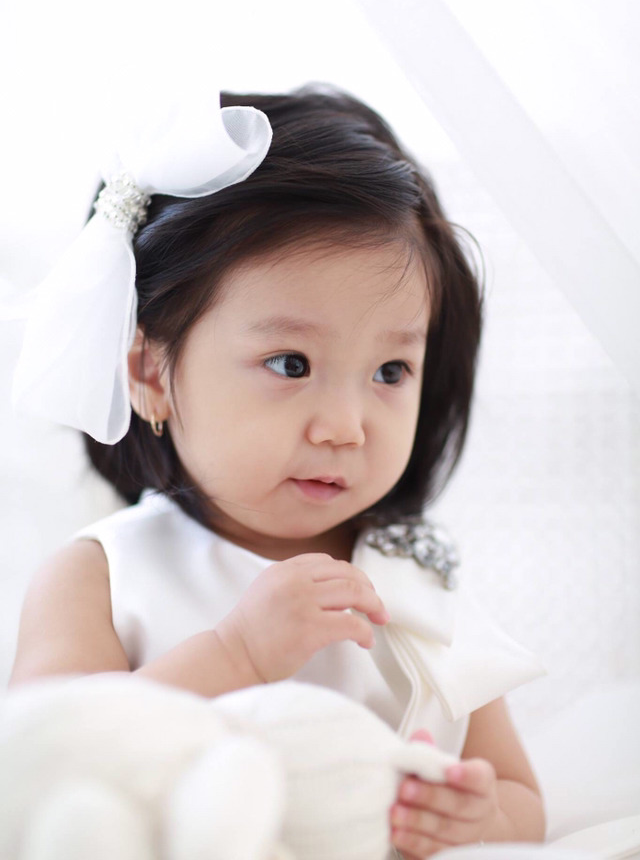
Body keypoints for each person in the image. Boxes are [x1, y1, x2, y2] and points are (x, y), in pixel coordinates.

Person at [9, 85, 545, 856]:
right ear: (151, 372)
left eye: (390, 372)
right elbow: (41, 760)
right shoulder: (101, 576)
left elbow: (521, 796)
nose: (345, 427)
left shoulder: (410, 580)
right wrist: (236, 654)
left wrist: (479, 818)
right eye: (291, 364)